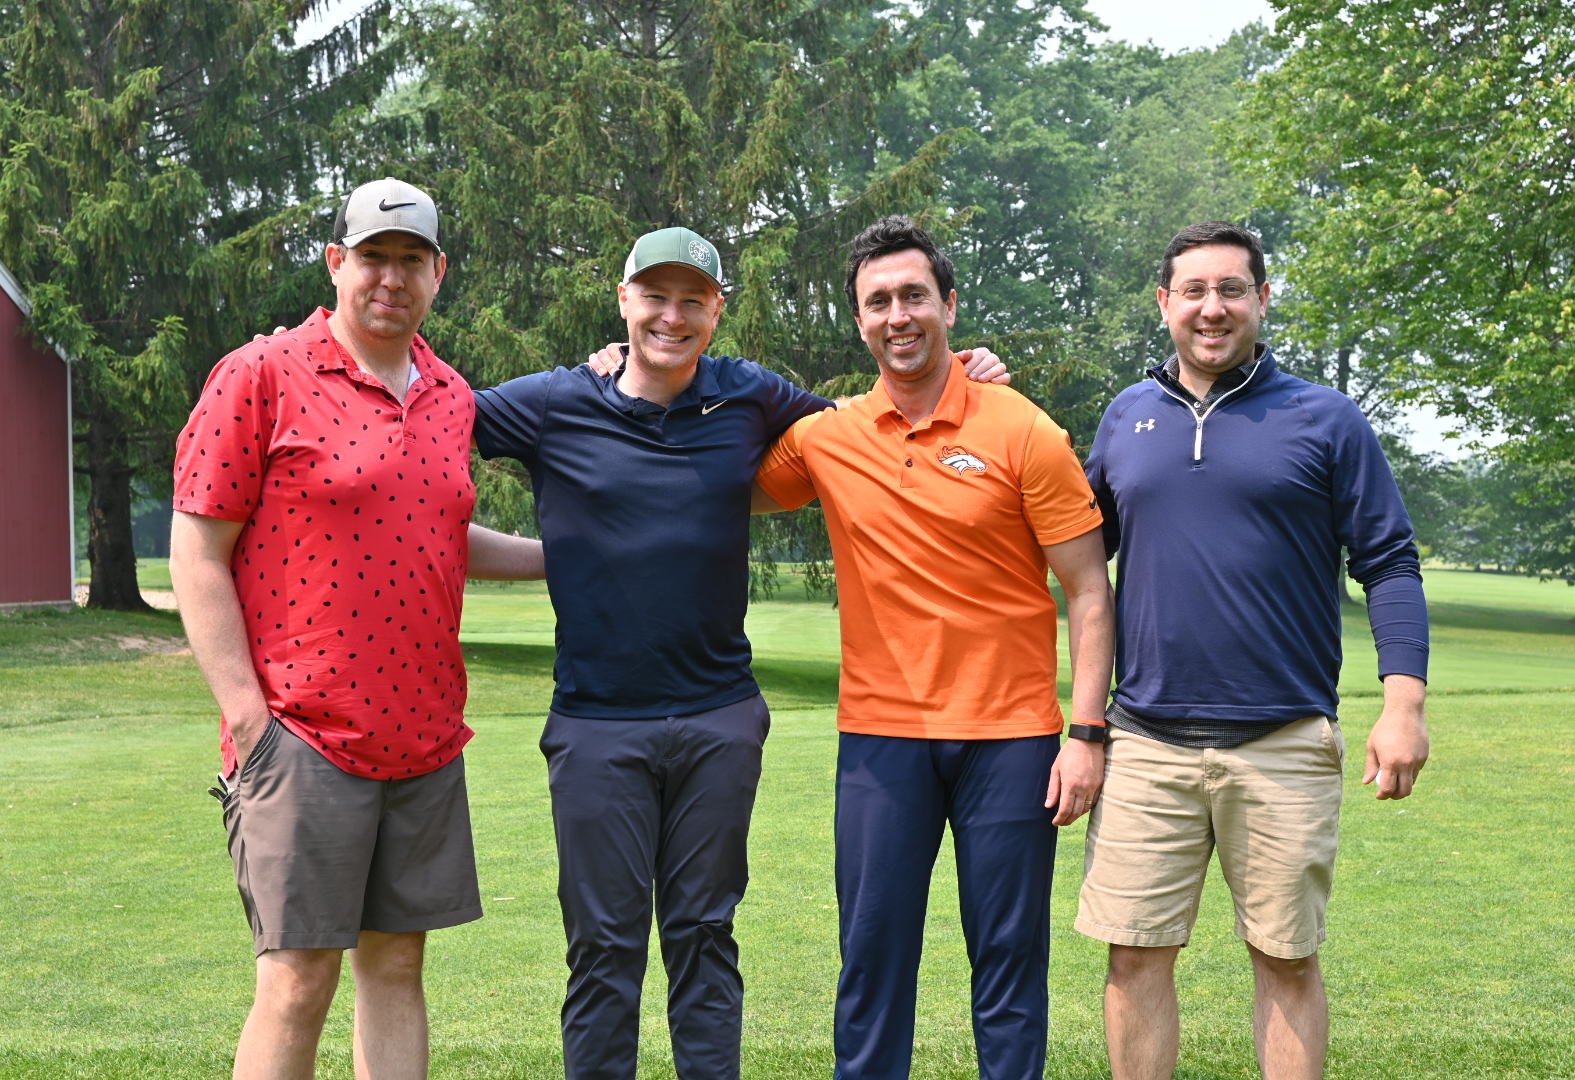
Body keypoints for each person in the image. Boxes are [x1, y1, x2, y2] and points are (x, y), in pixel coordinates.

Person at [473, 225, 1007, 1080]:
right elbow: (418, 429)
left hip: (719, 719)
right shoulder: (552, 402)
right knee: (604, 948)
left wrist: (964, 376)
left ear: (716, 310)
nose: (671, 317)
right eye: (654, 296)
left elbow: (866, 430)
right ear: (624, 301)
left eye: (693, 300)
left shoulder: (750, 396)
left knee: (703, 936)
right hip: (596, 725)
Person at [171, 177, 541, 1080]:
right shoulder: (261, 374)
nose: (391, 277)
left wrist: (560, 556)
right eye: (373, 256)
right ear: (337, 263)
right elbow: (197, 550)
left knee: (396, 965)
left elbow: (439, 526)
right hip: (300, 734)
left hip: (421, 736)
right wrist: (250, 723)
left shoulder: (452, 395)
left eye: (412, 260)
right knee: (297, 981)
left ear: (438, 274)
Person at [752, 214, 1116, 1080]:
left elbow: (1091, 592)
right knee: (872, 964)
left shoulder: (1024, 428)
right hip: (883, 741)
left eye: (914, 295)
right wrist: (621, 377)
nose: (897, 315)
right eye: (877, 301)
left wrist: (1086, 733)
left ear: (949, 304)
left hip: (1014, 739)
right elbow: (704, 472)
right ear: (859, 320)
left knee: (1009, 969)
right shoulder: (825, 437)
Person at [1076, 221, 1431, 1080]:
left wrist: (1403, 704)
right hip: (1146, 742)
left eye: (1232, 289)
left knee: (1286, 960)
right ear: (1163, 304)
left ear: (1263, 299)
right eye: (1192, 291)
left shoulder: (1327, 419)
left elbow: (1388, 560)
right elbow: (1078, 559)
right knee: (1133, 958)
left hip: (1283, 743)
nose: (1212, 308)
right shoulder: (1126, 417)